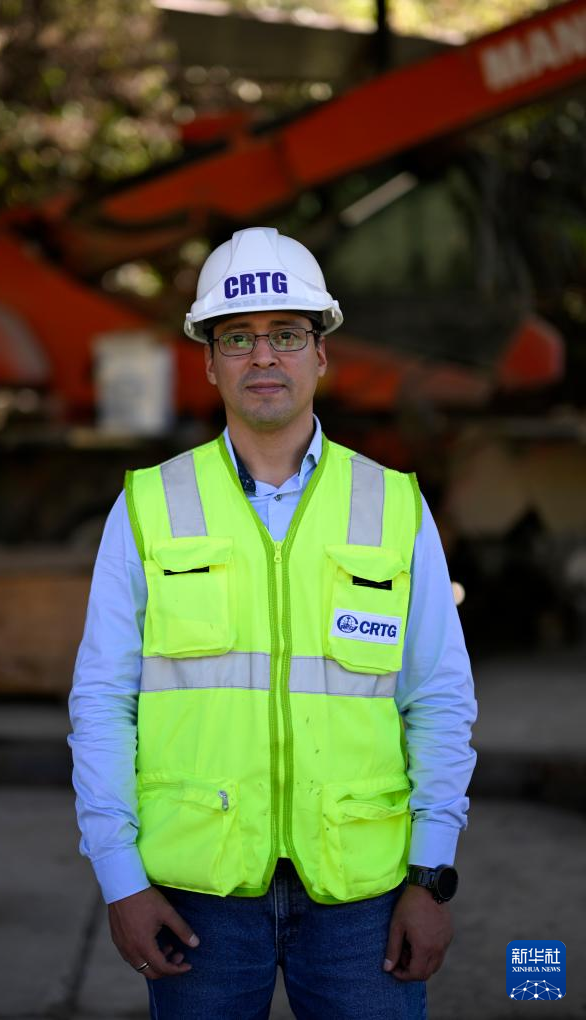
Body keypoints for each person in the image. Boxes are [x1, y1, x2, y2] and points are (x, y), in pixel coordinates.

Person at [67, 226, 477, 1019]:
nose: (264, 357)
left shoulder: (392, 505)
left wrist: (431, 876)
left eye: (287, 335)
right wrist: (121, 878)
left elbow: (439, 698)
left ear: (322, 354)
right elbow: (103, 702)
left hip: (364, 894)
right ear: (210, 360)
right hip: (198, 897)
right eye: (239, 337)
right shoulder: (148, 508)